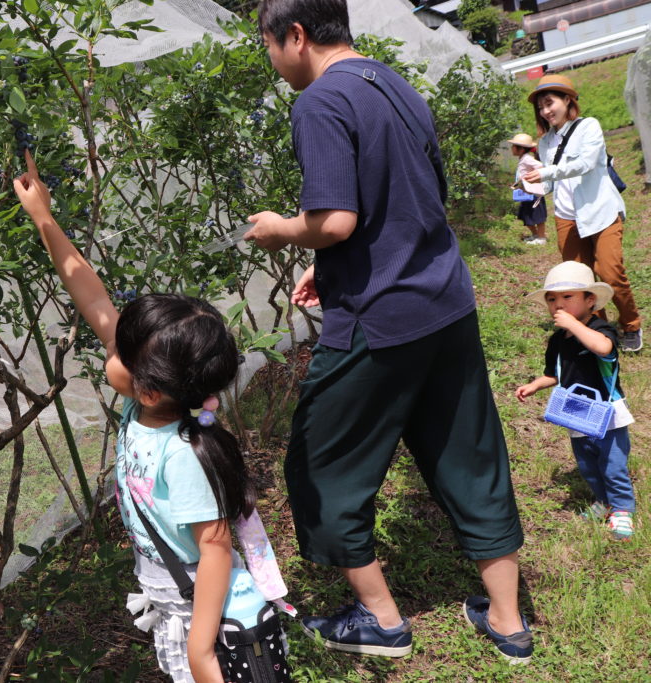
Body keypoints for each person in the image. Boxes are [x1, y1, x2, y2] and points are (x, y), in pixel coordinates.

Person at [243, 0, 532, 664]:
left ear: (295, 35)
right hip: (445, 299)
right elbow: (413, 192)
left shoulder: (318, 102)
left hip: (379, 317)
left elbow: (337, 216)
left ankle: (381, 618)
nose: (272, 60)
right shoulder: (390, 81)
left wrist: (281, 229)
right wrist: (328, 263)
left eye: (268, 45)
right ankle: (509, 620)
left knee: (321, 458)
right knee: (469, 452)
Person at [12, 151, 290, 682]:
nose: (109, 345)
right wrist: (43, 217)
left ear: (146, 387)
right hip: (172, 599)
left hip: (200, 617)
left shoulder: (181, 453)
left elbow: (214, 550)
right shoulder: (154, 402)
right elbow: (90, 295)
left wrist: (202, 650)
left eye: (119, 349)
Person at [514, 261, 636, 541]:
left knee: (612, 463)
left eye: (568, 297)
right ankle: (603, 501)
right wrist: (535, 385)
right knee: (588, 463)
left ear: (590, 300)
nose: (558, 304)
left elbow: (603, 348)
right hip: (575, 411)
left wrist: (573, 325)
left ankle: (622, 509)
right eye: (552, 299)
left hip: (607, 412)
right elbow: (553, 374)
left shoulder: (600, 328)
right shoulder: (557, 340)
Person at [522, 74, 643, 352]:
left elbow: (586, 164)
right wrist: (533, 183)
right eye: (540, 107)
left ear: (567, 100)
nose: (545, 111)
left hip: (599, 211)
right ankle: (598, 330)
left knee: (609, 273)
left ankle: (631, 324)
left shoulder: (589, 127)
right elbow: (551, 183)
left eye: (549, 103)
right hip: (566, 217)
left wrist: (547, 171)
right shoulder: (545, 142)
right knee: (579, 281)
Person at [508, 133, 548, 245]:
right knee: (526, 214)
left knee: (537, 215)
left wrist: (534, 177)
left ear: (520, 149)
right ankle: (535, 235)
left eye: (514, 146)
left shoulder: (527, 159)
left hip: (534, 192)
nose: (511, 148)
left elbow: (541, 167)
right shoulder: (523, 158)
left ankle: (541, 238)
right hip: (527, 192)